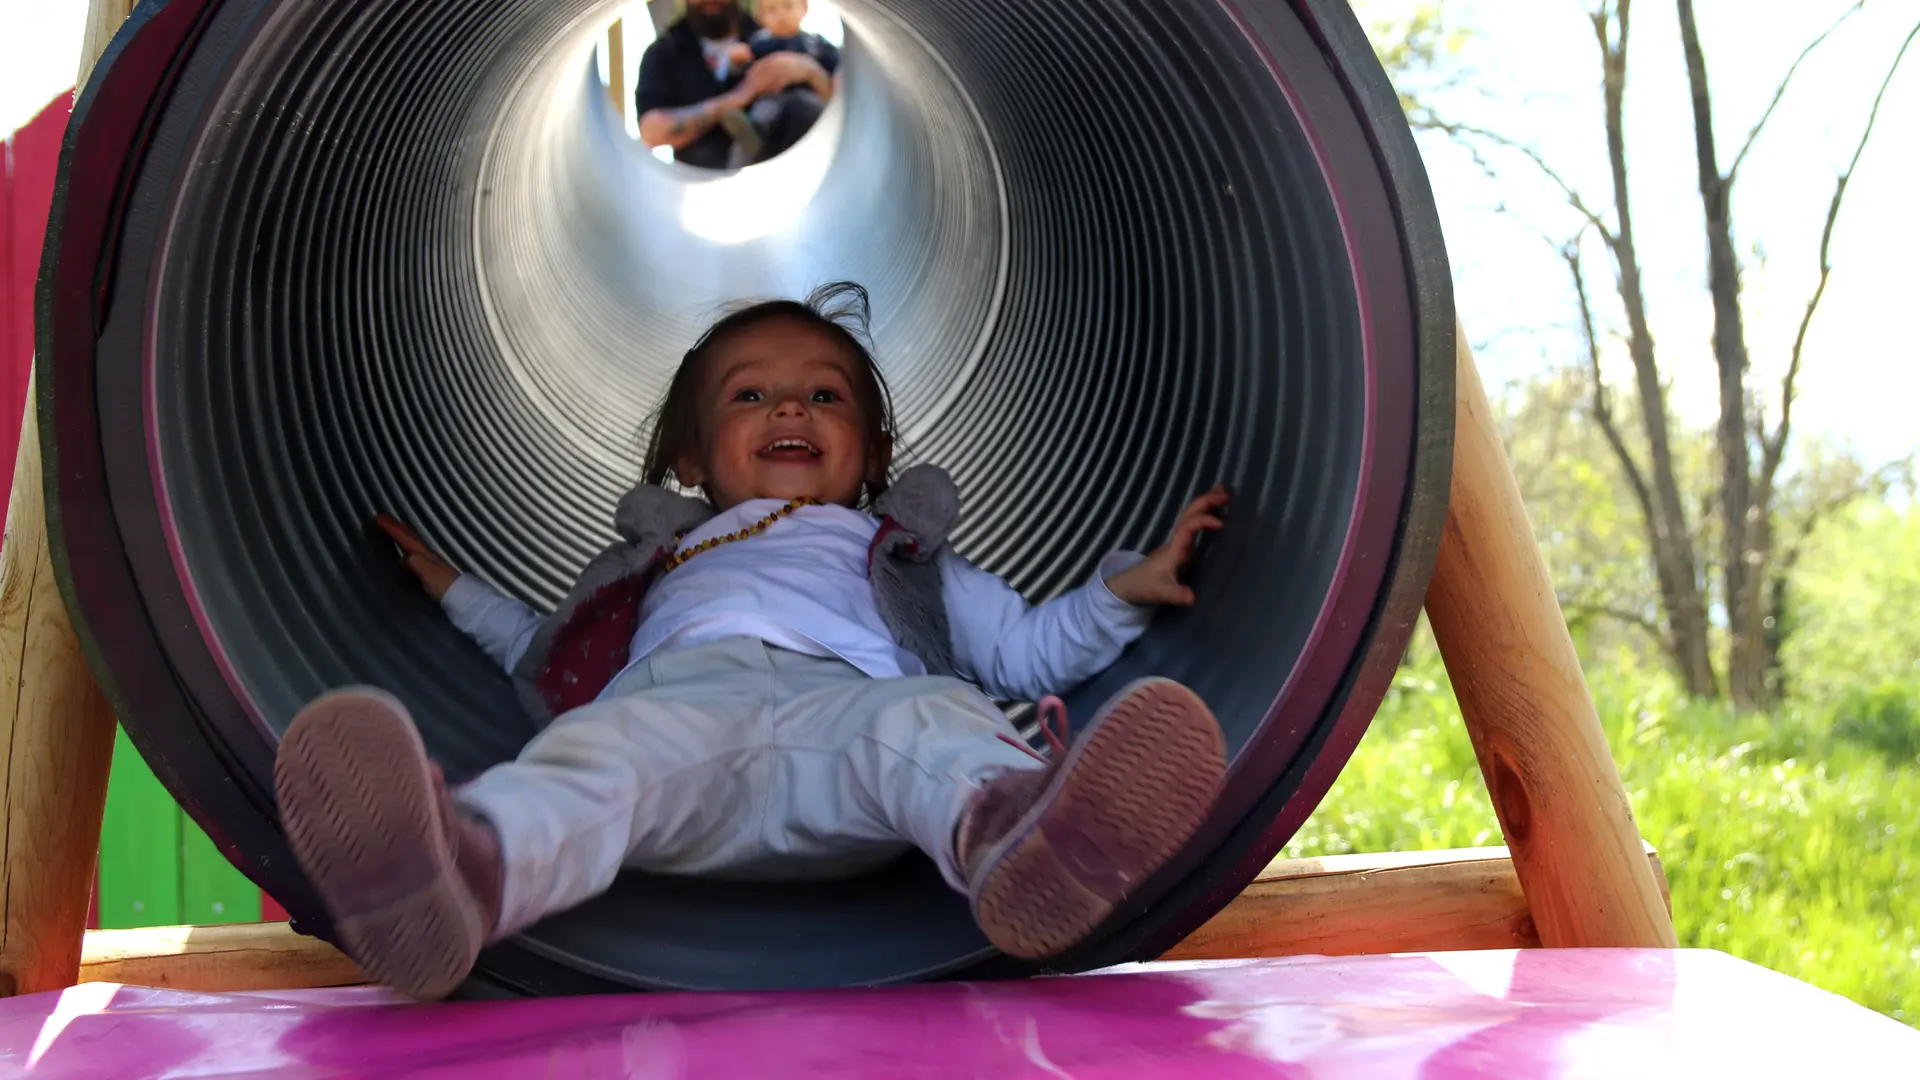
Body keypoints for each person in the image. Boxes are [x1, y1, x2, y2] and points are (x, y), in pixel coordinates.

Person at [272, 282, 1234, 1001]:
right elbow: (542, 649)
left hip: (852, 730)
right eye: (750, 397)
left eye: (825, 396)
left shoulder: (897, 554)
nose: (790, 409)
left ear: (873, 454)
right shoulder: (664, 558)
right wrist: (453, 587)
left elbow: (1023, 653)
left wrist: (1122, 590)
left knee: (935, 716)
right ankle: (460, 871)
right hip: (678, 725)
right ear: (690, 459)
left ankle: (1015, 835)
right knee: (589, 756)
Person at [634, 0, 833, 170]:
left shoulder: (769, 34)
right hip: (700, 189)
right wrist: (742, 95)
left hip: (790, 176)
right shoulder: (665, 52)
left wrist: (812, 74)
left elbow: (841, 111)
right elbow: (652, 132)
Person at [719, 0, 840, 167]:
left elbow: (835, 67)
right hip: (771, 97)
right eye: (771, 10)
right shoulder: (758, 45)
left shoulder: (815, 43)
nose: (781, 14)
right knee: (762, 114)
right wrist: (736, 63)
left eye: (788, 6)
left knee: (812, 109)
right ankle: (749, 138)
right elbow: (741, 79)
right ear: (760, 17)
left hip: (806, 96)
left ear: (804, 8)